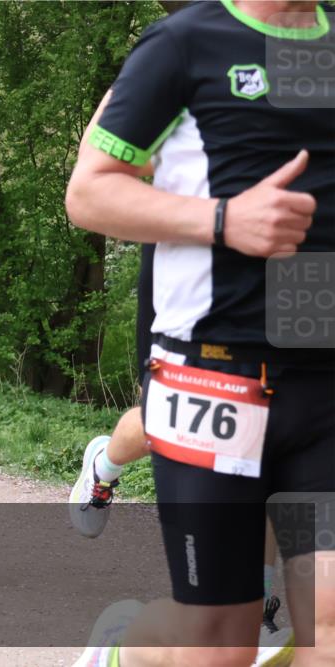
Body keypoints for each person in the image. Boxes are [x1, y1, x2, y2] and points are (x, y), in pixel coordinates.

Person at [65, 1, 334, 666]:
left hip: (323, 377)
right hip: (214, 371)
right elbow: (88, 194)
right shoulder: (184, 43)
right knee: (219, 647)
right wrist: (223, 220)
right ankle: (122, 651)